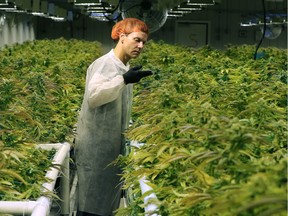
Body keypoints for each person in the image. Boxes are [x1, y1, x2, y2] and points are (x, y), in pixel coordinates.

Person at [74, 18, 152, 216]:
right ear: (122, 37)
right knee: (93, 205)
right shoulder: (106, 65)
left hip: (110, 149)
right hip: (97, 150)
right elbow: (94, 96)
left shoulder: (123, 67)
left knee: (106, 205)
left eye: (144, 42)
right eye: (136, 40)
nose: (141, 46)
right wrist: (124, 80)